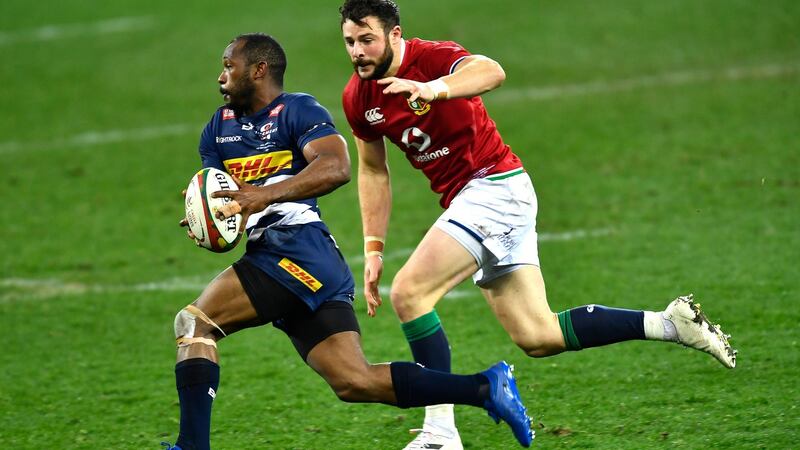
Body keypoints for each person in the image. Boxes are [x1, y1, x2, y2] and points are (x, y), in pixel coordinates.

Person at [338, 1, 737, 449]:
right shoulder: (358, 97)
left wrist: (437, 89)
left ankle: (439, 434)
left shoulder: (431, 57)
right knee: (538, 335)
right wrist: (373, 249)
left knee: (411, 292)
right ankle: (669, 324)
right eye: (350, 41)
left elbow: (491, 71)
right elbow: (373, 171)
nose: (357, 51)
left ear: (394, 35)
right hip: (477, 200)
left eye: (367, 39)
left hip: (495, 188)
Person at [161, 33, 535, 450]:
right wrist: (208, 220)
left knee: (194, 324)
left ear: (258, 70)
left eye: (229, 67)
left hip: (296, 248)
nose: (221, 76)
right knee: (354, 381)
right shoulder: (217, 129)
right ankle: (485, 389)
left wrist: (261, 196)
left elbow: (337, 167)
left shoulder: (297, 111)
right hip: (292, 258)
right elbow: (225, 201)